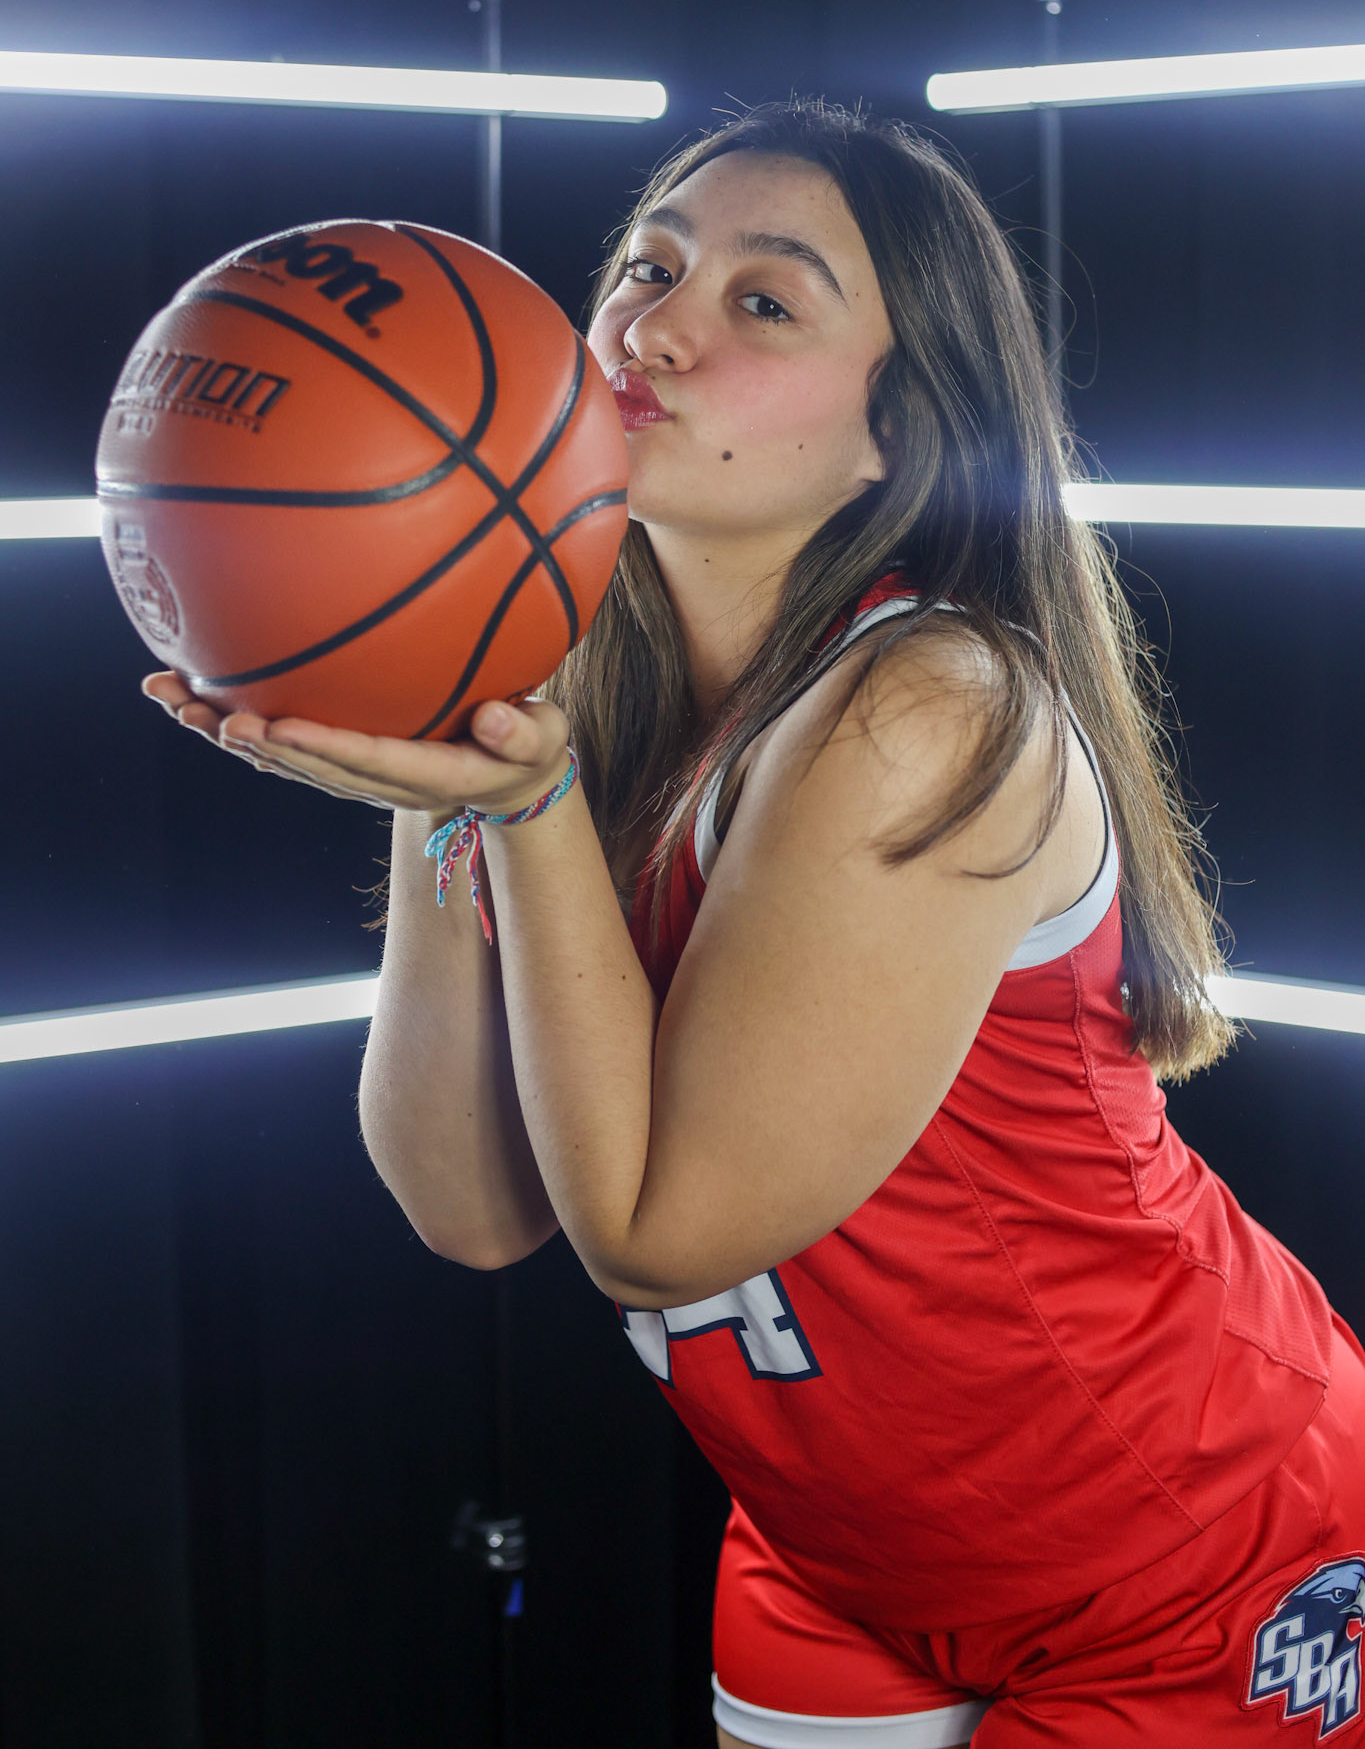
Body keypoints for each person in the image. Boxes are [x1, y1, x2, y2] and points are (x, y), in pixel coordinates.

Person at [145, 99, 1365, 1746]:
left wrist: (517, 808)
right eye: (646, 268)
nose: (655, 323)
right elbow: (469, 1203)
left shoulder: (922, 704)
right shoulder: (596, 702)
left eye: (761, 300)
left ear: (898, 429)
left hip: (1188, 1547)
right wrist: (448, 752)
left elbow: (661, 1234)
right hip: (846, 1551)